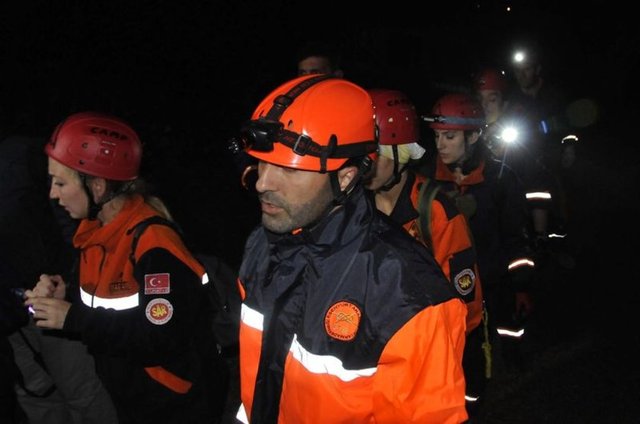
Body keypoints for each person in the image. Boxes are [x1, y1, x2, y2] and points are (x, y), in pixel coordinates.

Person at [233, 74, 468, 423]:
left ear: (345, 178)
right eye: (263, 162)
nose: (263, 183)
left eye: (289, 170)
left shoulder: (406, 297)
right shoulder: (262, 244)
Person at [24, 111, 227, 424]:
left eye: (61, 182)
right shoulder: (95, 235)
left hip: (174, 405)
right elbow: (109, 306)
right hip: (132, 397)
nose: (52, 193)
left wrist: (73, 318)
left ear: (98, 186)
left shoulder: (154, 246)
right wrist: (66, 294)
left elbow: (161, 337)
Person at [365, 88, 486, 415]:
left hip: (428, 353)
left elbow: (466, 304)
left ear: (402, 152)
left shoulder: (435, 211)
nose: (366, 164)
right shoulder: (353, 207)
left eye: (375, 153)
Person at [422, 93, 536, 414]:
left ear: (473, 136)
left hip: (496, 280)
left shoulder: (500, 179)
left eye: (449, 136)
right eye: (437, 136)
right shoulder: (427, 180)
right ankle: (470, 404)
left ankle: (513, 354)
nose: (440, 145)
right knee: (467, 356)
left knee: (508, 324)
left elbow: (515, 236)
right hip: (452, 290)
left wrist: (522, 285)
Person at [0, 114, 118, 424]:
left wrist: (69, 276)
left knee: (81, 390)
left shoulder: (19, 156)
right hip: (8, 325)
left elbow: (72, 212)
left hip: (51, 297)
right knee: (34, 396)